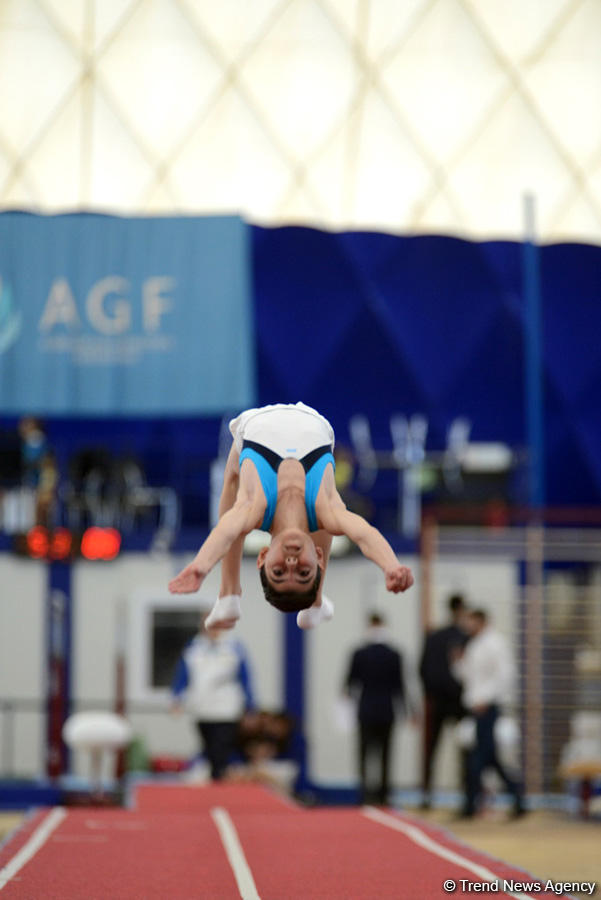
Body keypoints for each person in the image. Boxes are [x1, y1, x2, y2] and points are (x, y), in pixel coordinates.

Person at [169, 402, 414, 631]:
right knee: (327, 517)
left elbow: (224, 533)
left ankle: (229, 592)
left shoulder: (256, 507)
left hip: (255, 426)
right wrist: (390, 566)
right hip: (314, 423)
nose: (292, 563)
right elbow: (364, 535)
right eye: (303, 573)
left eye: (278, 572)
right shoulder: (327, 510)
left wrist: (200, 567)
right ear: (319, 557)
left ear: (263, 556)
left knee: (233, 494)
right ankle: (315, 601)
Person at [452, 608, 525, 819]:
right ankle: (516, 797)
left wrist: (488, 699)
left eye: (471, 621)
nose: (467, 626)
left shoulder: (495, 643)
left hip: (487, 707)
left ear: (480, 621)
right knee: (488, 757)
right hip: (476, 706)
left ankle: (470, 805)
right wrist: (458, 661)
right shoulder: (474, 645)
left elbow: (506, 674)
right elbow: (468, 678)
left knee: (478, 758)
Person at [171, 612, 255, 781]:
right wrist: (176, 698)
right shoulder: (193, 648)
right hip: (202, 708)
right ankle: (216, 776)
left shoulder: (234, 647)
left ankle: (218, 778)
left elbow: (245, 678)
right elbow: (182, 675)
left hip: (227, 709)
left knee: (221, 748)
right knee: (209, 748)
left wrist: (250, 706)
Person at [344, 612, 408, 805]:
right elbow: (400, 686)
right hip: (387, 710)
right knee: (385, 755)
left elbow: (349, 683)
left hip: (366, 709)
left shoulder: (359, 653)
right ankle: (384, 794)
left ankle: (364, 794)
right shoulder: (394, 654)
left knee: (364, 754)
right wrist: (406, 711)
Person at [419, 593, 469, 808]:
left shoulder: (435, 636)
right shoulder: (465, 637)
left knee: (433, 749)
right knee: (464, 749)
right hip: (457, 701)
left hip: (438, 700)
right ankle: (467, 794)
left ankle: (427, 794)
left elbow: (421, 668)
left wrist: (430, 693)